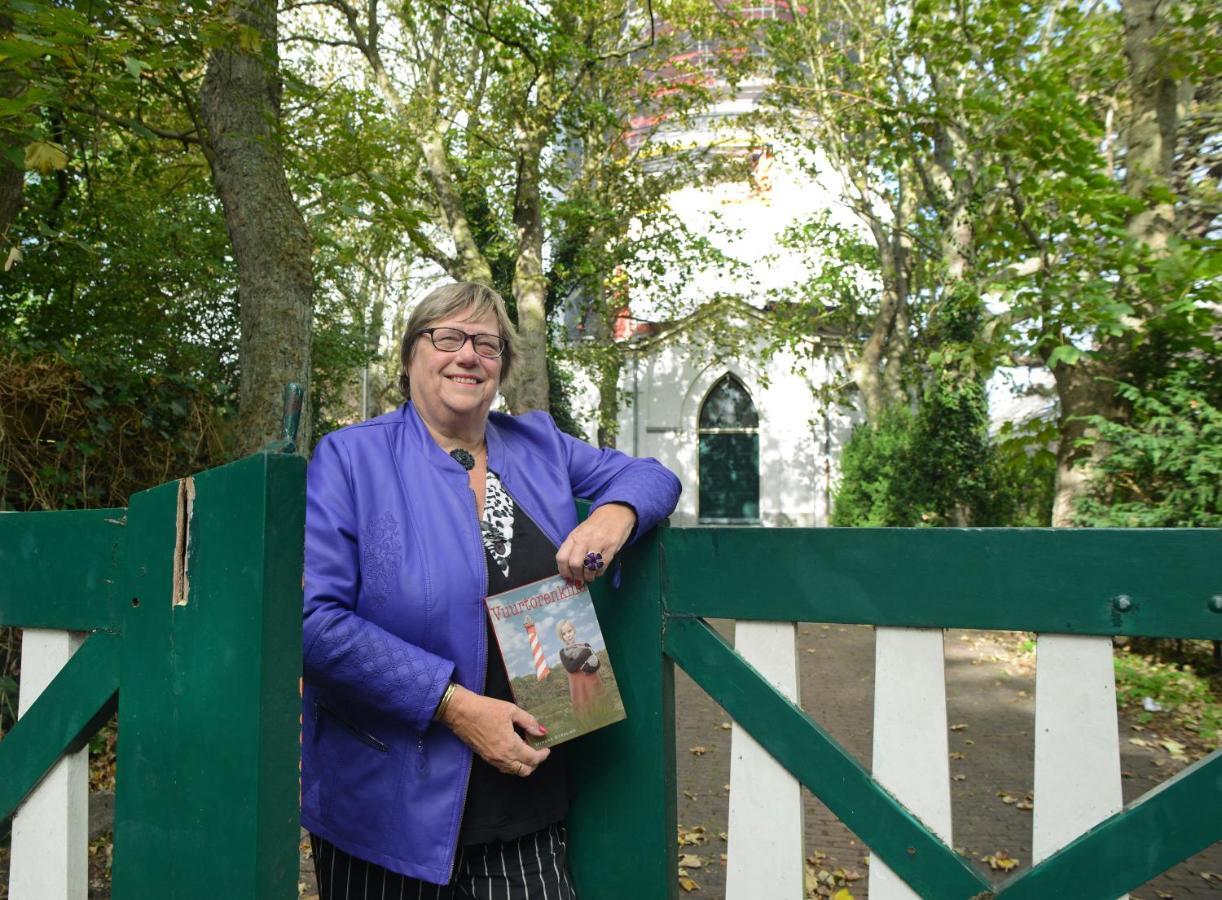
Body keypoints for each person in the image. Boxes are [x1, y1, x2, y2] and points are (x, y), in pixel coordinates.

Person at [302, 281, 681, 899]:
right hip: (387, 802)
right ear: (409, 357)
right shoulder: (350, 457)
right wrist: (453, 705)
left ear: (502, 366)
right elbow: (313, 624)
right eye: (446, 337)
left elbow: (652, 475)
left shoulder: (537, 443)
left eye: (486, 343)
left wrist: (615, 515)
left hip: (526, 795)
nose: (467, 355)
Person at [555, 619, 607, 716]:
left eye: (569, 631)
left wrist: (589, 666)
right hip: (579, 687)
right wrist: (585, 654)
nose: (568, 635)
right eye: (564, 634)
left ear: (574, 631)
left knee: (602, 709)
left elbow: (597, 663)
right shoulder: (563, 652)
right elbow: (571, 668)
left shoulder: (585, 645)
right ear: (561, 637)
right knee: (586, 714)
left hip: (593, 682)